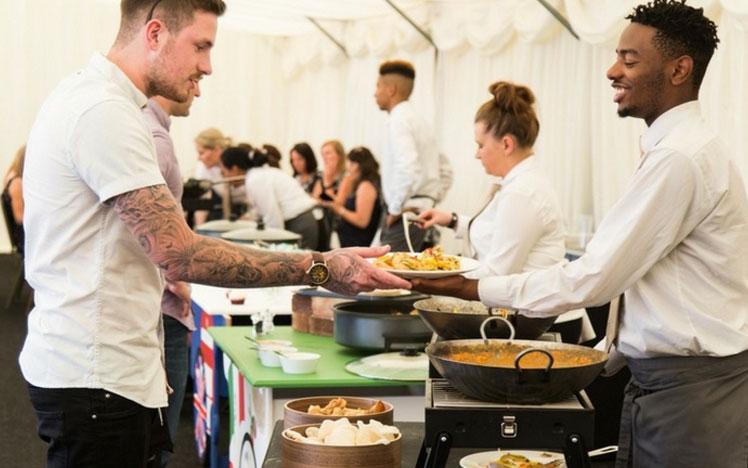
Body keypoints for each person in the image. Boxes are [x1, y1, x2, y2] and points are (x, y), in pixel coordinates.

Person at [19, 2, 409, 467]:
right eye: (200, 46)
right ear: (156, 33)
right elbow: (179, 253)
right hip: (94, 378)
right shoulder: (103, 110)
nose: (207, 65)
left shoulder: (101, 100)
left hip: (99, 370)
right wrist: (319, 266)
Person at [412, 2, 748, 466]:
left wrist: (472, 286)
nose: (612, 71)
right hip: (668, 382)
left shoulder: (680, 158)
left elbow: (596, 276)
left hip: (690, 390)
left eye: (629, 60)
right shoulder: (675, 149)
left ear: (679, 69)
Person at [142, 85, 199, 467]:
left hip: (159, 307)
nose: (200, 83)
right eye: (199, 50)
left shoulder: (146, 129)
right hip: (163, 311)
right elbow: (165, 243)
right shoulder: (156, 140)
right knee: (157, 446)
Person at [374, 59, 453, 251]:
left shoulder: (399, 120)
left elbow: (408, 169)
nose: (374, 93)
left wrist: (395, 208)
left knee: (389, 275)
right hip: (418, 206)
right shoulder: (419, 120)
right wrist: (430, 199)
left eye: (377, 86)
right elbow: (446, 171)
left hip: (405, 210)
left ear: (391, 90)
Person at [220, 146, 321, 250]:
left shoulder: (255, 179)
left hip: (300, 225)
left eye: (224, 173)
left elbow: (273, 220)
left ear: (235, 169)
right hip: (301, 223)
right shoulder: (257, 174)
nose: (224, 178)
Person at [324, 146, 383, 248]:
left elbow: (362, 221)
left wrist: (340, 210)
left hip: (356, 242)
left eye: (351, 164)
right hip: (349, 239)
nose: (349, 168)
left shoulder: (366, 186)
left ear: (357, 166)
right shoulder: (362, 183)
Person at [193, 126, 235, 224]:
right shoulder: (203, 168)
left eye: (201, 153)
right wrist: (199, 230)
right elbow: (202, 204)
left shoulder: (235, 163)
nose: (198, 158)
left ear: (217, 150)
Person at [313, 140, 346, 250]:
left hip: (340, 226)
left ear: (339, 155)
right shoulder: (322, 175)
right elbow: (315, 199)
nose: (324, 157)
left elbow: (338, 203)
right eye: (323, 154)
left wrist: (327, 181)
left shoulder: (346, 177)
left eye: (328, 153)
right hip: (323, 223)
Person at [2, 144, 25, 253]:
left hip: (17, 234)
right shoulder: (17, 182)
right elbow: (20, 217)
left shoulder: (10, 177)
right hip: (21, 236)